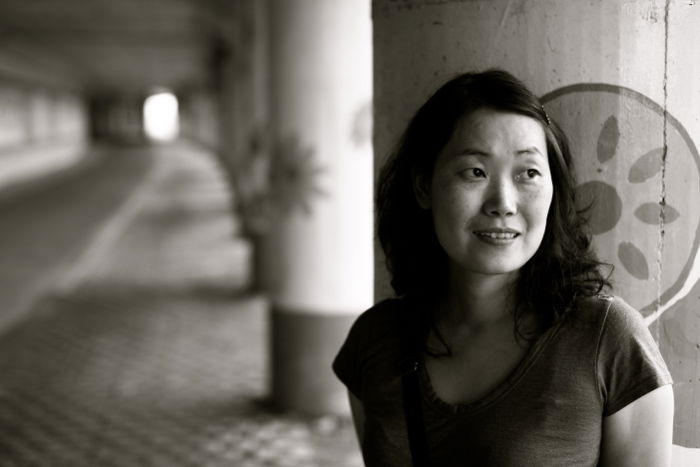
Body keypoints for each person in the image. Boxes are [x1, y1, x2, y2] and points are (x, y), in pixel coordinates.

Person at [332, 70, 674, 466]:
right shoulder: (374, 341)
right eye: (475, 172)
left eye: (528, 173)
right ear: (424, 185)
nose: (503, 203)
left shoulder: (608, 341)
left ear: (553, 189)